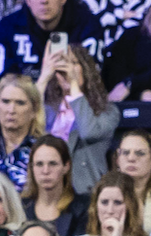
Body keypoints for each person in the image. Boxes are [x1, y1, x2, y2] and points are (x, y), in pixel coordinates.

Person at [38, 45, 119, 196]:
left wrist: (74, 86)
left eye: (73, 63)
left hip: (84, 192)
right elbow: (24, 124)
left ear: (86, 69)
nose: (67, 68)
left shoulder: (107, 111)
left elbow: (88, 132)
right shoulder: (47, 110)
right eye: (62, 63)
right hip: (44, 190)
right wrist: (43, 78)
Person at [0, 0, 102, 82]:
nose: (44, 0)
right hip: (24, 103)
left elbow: (93, 80)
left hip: (71, 100)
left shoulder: (87, 25)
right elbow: (2, 82)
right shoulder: (8, 27)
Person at [19, 137, 89, 236]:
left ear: (66, 166)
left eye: (53, 164)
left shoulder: (82, 208)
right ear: (31, 168)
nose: (46, 171)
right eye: (39, 164)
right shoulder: (20, 207)